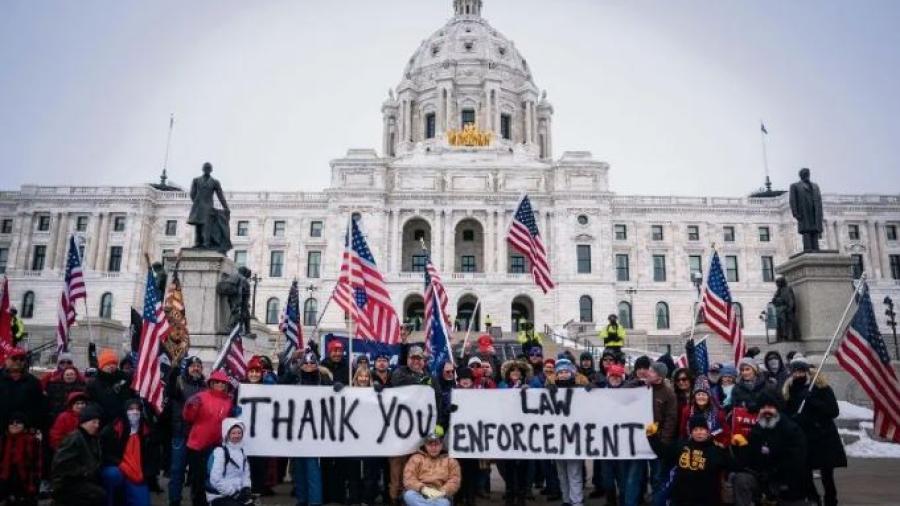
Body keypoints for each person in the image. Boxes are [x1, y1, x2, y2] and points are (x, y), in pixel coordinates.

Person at [782, 358, 846, 506]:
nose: (798, 374)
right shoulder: (789, 390)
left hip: (823, 437)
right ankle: (814, 499)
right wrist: (793, 419)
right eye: (795, 372)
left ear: (806, 371)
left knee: (827, 475)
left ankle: (831, 500)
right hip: (803, 438)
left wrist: (814, 401)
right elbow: (786, 411)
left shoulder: (820, 387)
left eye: (801, 371)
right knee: (805, 472)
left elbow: (833, 411)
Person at [731, 391, 808, 506]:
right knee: (741, 479)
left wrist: (773, 474)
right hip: (762, 479)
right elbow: (750, 459)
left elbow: (795, 461)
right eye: (763, 407)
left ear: (777, 409)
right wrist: (740, 447)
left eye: (770, 407)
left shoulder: (791, 430)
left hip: (786, 482)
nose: (766, 410)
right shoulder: (758, 429)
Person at [647, 413, 735, 506]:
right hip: (681, 500)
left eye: (702, 429)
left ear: (707, 432)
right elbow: (663, 453)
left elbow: (733, 465)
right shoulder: (681, 446)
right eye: (695, 430)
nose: (699, 432)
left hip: (706, 500)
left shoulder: (716, 450)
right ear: (691, 432)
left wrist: (738, 449)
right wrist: (652, 437)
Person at [280, 351, 331, 506]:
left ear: (317, 364)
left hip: (314, 431)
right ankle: (302, 498)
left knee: (312, 466)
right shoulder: (295, 379)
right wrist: (293, 363)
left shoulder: (323, 379)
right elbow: (281, 382)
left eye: (312, 363)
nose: (309, 366)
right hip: (297, 430)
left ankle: (315, 501)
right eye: (306, 363)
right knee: (299, 467)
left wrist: (337, 387)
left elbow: (333, 393)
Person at [183, 370, 235, 506]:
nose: (219, 384)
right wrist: (190, 407)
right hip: (198, 445)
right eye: (216, 382)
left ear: (226, 385)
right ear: (211, 383)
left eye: (222, 382)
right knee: (197, 478)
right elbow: (188, 418)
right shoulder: (200, 397)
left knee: (214, 477)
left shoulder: (229, 402)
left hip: (217, 446)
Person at [168, 356, 207, 506]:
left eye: (198, 366)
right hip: (181, 434)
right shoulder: (179, 383)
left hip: (198, 436)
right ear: (187, 368)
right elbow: (171, 388)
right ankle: (174, 500)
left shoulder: (205, 386)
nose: (196, 368)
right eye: (193, 366)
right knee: (177, 470)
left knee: (198, 472)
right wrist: (174, 369)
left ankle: (196, 500)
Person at [100, 398, 153, 506]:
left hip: (137, 473)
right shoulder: (113, 429)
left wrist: (147, 473)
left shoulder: (146, 430)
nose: (134, 412)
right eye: (130, 409)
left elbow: (152, 457)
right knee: (112, 475)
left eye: (137, 409)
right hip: (117, 467)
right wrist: (120, 464)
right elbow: (104, 453)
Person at [51, 404, 106, 505]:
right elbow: (61, 464)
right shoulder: (74, 438)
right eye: (94, 422)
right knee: (97, 495)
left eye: (98, 422)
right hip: (68, 483)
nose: (97, 425)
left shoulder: (93, 438)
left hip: (84, 480)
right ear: (84, 423)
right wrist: (84, 472)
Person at [241, 357, 275, 497]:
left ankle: (257, 493)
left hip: (262, 435)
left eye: (257, 372)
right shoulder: (240, 388)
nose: (254, 374)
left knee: (261, 466)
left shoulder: (268, 389)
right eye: (251, 372)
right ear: (247, 373)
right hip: (245, 435)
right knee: (246, 465)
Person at [349, 365, 382, 506]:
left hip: (370, 438)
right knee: (353, 471)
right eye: (360, 376)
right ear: (356, 377)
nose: (363, 379)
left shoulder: (374, 392)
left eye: (366, 376)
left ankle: (367, 499)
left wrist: (380, 390)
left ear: (369, 378)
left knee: (370, 471)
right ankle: (355, 497)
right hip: (353, 438)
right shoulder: (349, 392)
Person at [402, 430, 461, 506]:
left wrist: (442, 491)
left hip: (440, 495)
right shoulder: (416, 458)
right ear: (425, 446)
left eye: (436, 444)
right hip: (420, 493)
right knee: (409, 495)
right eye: (430, 445)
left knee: (444, 503)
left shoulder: (451, 461)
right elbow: (408, 478)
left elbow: (455, 480)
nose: (433, 448)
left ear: (441, 445)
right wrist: (422, 488)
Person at [205, 419, 253, 506]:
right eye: (233, 433)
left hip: (237, 493)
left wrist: (246, 488)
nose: (237, 436)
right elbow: (215, 479)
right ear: (227, 434)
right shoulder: (220, 452)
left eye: (239, 433)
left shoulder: (242, 452)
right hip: (219, 495)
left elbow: (246, 474)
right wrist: (233, 493)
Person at [0, 348, 46, 434]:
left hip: (24, 430)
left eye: (21, 359)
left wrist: (34, 425)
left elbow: (39, 406)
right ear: (7, 359)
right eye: (14, 358)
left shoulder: (33, 382)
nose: (18, 361)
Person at [0, 411, 42, 506]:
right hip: (5, 479)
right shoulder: (3, 440)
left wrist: (35, 482)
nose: (14, 424)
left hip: (25, 480)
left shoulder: (32, 441)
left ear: (24, 425)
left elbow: (37, 463)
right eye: (11, 422)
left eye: (18, 422)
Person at [87, 349, 135, 425]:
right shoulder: (93, 383)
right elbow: (92, 403)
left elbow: (131, 396)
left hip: (124, 420)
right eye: (107, 364)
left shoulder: (125, 378)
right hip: (104, 421)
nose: (111, 366)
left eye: (113, 363)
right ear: (101, 366)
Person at [678, 377, 730, 447]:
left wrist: (722, 444)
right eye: (698, 394)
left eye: (704, 395)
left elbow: (726, 433)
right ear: (694, 397)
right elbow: (683, 430)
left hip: (712, 444)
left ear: (709, 397)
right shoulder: (687, 411)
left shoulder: (718, 413)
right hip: (692, 443)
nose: (701, 397)